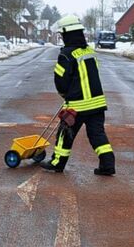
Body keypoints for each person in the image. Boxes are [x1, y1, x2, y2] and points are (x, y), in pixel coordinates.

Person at [42, 15, 115, 175]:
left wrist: (65, 95)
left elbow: (60, 81)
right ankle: (108, 164)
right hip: (97, 104)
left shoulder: (66, 55)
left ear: (67, 34)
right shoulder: (89, 52)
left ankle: (57, 163)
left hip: (77, 106)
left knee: (64, 134)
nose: (61, 38)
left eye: (62, 35)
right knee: (97, 135)